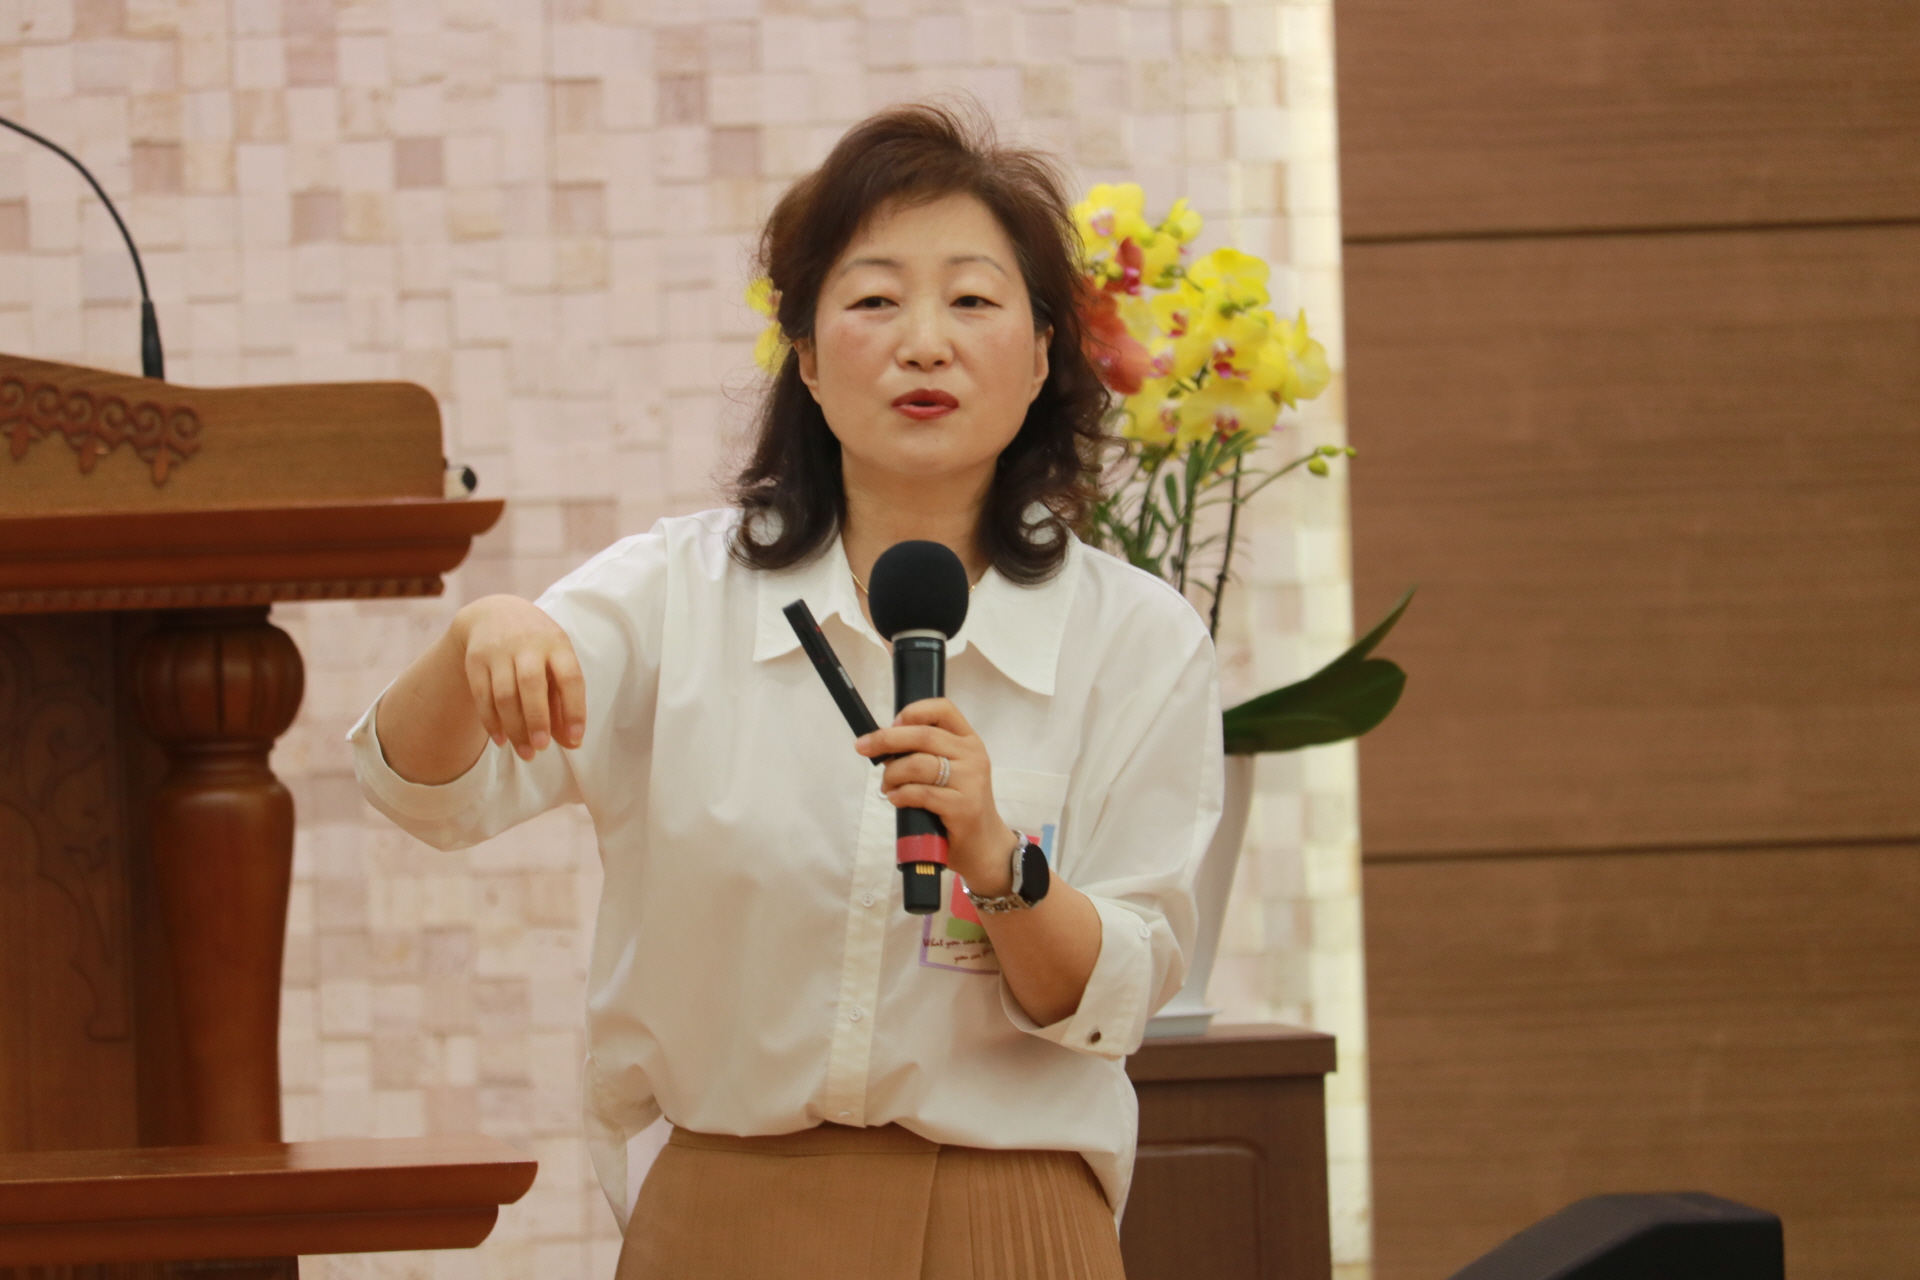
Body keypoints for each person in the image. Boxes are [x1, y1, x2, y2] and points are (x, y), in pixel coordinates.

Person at [351, 102, 1223, 1280]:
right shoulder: (678, 591)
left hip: (1011, 1217)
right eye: (874, 300)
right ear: (806, 357)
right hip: (728, 1216)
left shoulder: (1137, 638)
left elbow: (1119, 988)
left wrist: (999, 861)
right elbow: (422, 791)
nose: (925, 342)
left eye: (973, 300)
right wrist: (477, 637)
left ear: (1040, 356)